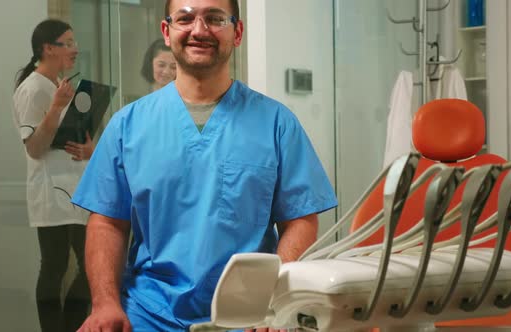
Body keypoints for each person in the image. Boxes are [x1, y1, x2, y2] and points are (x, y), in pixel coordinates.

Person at [72, 0, 338, 331]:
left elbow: (299, 221)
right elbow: (107, 223)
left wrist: (272, 301)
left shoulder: (276, 124)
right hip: (147, 313)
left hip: (248, 317)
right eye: (186, 19)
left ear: (237, 32)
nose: (200, 30)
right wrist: (105, 304)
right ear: (167, 32)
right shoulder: (128, 125)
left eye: (214, 18)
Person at [12, 19, 93, 332]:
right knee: (56, 266)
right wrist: (55, 108)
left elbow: (64, 138)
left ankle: (70, 326)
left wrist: (87, 146)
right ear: (48, 48)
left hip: (74, 187)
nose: (76, 49)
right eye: (68, 43)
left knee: (88, 266)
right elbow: (34, 147)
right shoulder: (32, 89)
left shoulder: (56, 86)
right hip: (51, 190)